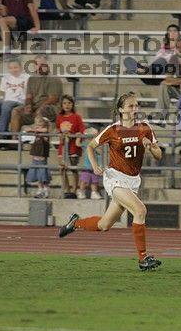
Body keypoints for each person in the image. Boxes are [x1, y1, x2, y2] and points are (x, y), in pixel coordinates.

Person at [57, 92, 163, 272]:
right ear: (121, 109)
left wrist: (151, 146)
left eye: (136, 106)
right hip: (115, 178)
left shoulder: (145, 128)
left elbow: (159, 155)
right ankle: (143, 258)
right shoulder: (112, 129)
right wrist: (95, 166)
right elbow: (90, 146)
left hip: (132, 181)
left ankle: (75, 223)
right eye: (130, 106)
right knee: (140, 210)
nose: (134, 109)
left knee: (104, 225)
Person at [10, 55, 63, 132]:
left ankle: (38, 139)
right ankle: (15, 140)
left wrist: (38, 108)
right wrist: (28, 105)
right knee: (16, 111)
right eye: (37, 64)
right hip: (35, 106)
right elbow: (29, 96)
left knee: (41, 110)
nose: (39, 67)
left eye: (42, 64)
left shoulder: (54, 79)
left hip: (50, 108)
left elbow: (53, 99)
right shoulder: (31, 79)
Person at [0, 58, 30, 136]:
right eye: (11, 68)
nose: (13, 70)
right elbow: (3, 94)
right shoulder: (5, 78)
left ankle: (0, 133)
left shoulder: (27, 77)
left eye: (15, 67)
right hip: (7, 102)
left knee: (6, 104)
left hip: (20, 101)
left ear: (21, 67)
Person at [56, 95, 86, 199]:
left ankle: (74, 190)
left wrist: (73, 133)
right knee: (62, 169)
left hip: (73, 147)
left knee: (73, 168)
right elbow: (57, 130)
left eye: (69, 103)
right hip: (63, 146)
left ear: (72, 104)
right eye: (64, 103)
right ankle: (67, 190)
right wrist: (61, 134)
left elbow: (82, 130)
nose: (67, 105)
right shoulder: (59, 117)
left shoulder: (76, 117)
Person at [25, 116, 52, 199]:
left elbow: (45, 130)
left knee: (43, 175)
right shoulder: (36, 133)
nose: (37, 126)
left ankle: (46, 189)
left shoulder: (45, 132)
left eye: (40, 124)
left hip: (42, 157)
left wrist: (34, 129)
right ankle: (40, 189)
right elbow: (27, 130)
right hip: (35, 157)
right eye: (36, 124)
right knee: (37, 175)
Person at [76, 127, 103, 199]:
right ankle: (81, 192)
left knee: (95, 180)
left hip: (95, 165)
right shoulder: (86, 143)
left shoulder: (97, 144)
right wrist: (79, 136)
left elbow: (100, 151)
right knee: (84, 180)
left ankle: (94, 192)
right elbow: (78, 144)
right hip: (87, 166)